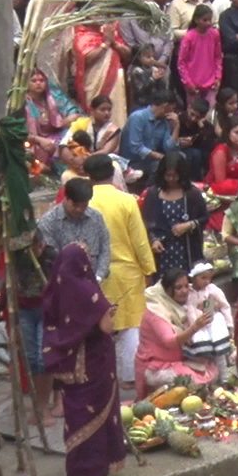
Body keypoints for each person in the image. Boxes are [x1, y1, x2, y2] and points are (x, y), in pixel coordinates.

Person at [40, 244, 124, 476]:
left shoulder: (56, 290)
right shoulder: (87, 290)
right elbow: (106, 327)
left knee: (77, 415)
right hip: (93, 363)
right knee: (94, 414)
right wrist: (109, 313)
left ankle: (78, 473)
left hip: (70, 366)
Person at [87, 154, 156, 397]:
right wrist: (149, 269)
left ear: (88, 176)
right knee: (130, 325)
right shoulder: (126, 200)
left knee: (97, 326)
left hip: (93, 272)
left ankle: (98, 375)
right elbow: (140, 240)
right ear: (112, 173)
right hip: (127, 271)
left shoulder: (85, 202)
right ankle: (129, 377)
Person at [138, 269, 225, 390]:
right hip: (157, 366)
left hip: (182, 359)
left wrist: (213, 305)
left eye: (186, 286)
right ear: (167, 290)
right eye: (178, 288)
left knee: (213, 373)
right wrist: (194, 327)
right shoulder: (157, 311)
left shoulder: (182, 301)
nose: (184, 291)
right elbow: (169, 342)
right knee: (194, 383)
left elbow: (208, 303)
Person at [141, 151, 209, 276]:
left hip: (186, 250)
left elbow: (204, 217)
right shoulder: (153, 193)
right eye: (168, 175)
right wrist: (154, 240)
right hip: (162, 250)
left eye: (175, 176)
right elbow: (147, 222)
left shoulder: (192, 194)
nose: (171, 179)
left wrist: (189, 225)